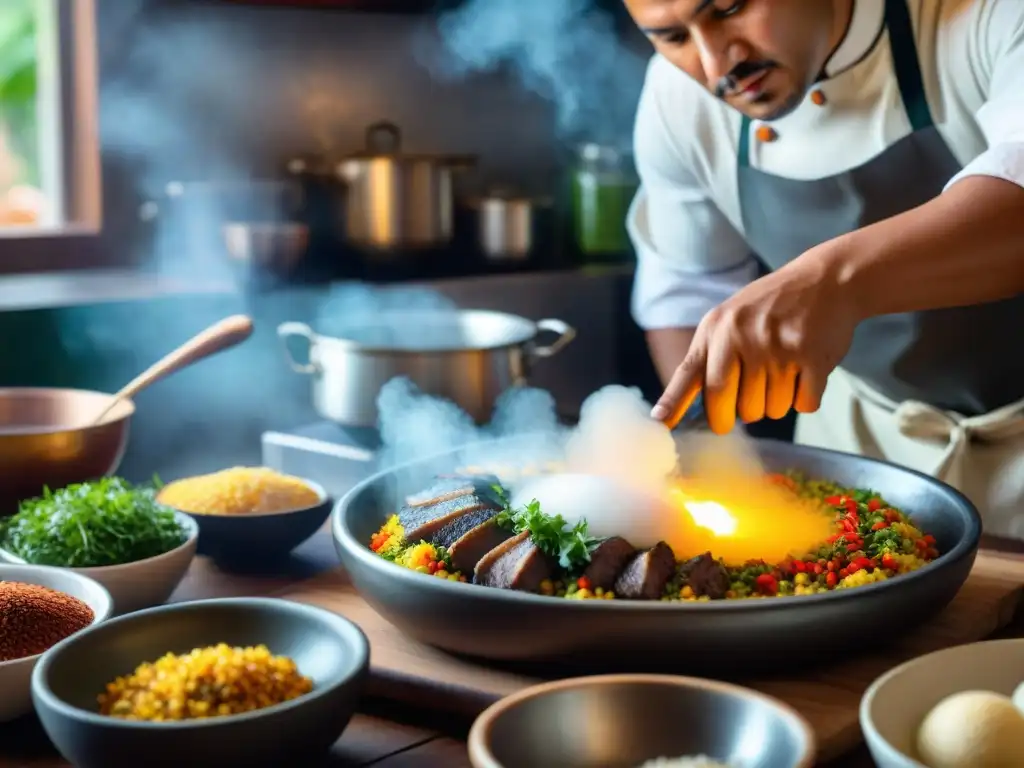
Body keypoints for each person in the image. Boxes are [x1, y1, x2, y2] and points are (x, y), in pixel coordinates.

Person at [623, 0, 1024, 537]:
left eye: (730, 8)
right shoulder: (678, 99)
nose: (717, 66)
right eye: (672, 36)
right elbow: (688, 287)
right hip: (859, 448)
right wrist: (718, 459)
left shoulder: (987, 16)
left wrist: (834, 282)